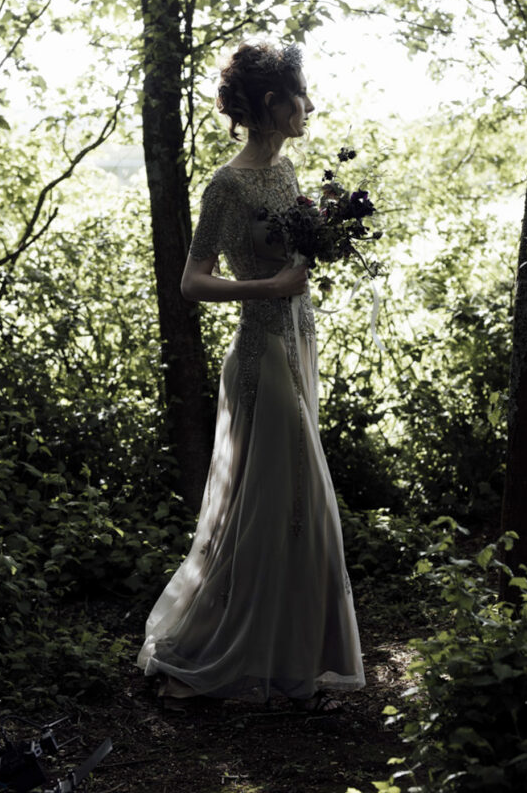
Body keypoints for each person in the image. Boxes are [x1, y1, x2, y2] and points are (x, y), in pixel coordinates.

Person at [136, 41, 365, 707]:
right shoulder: (227, 185)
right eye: (301, 95)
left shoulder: (289, 173)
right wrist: (267, 290)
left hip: (297, 344)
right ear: (271, 103)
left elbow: (295, 260)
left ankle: (295, 659)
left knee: (289, 505)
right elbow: (191, 281)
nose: (310, 106)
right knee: (281, 506)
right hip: (260, 355)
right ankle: (221, 652)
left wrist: (327, 235)